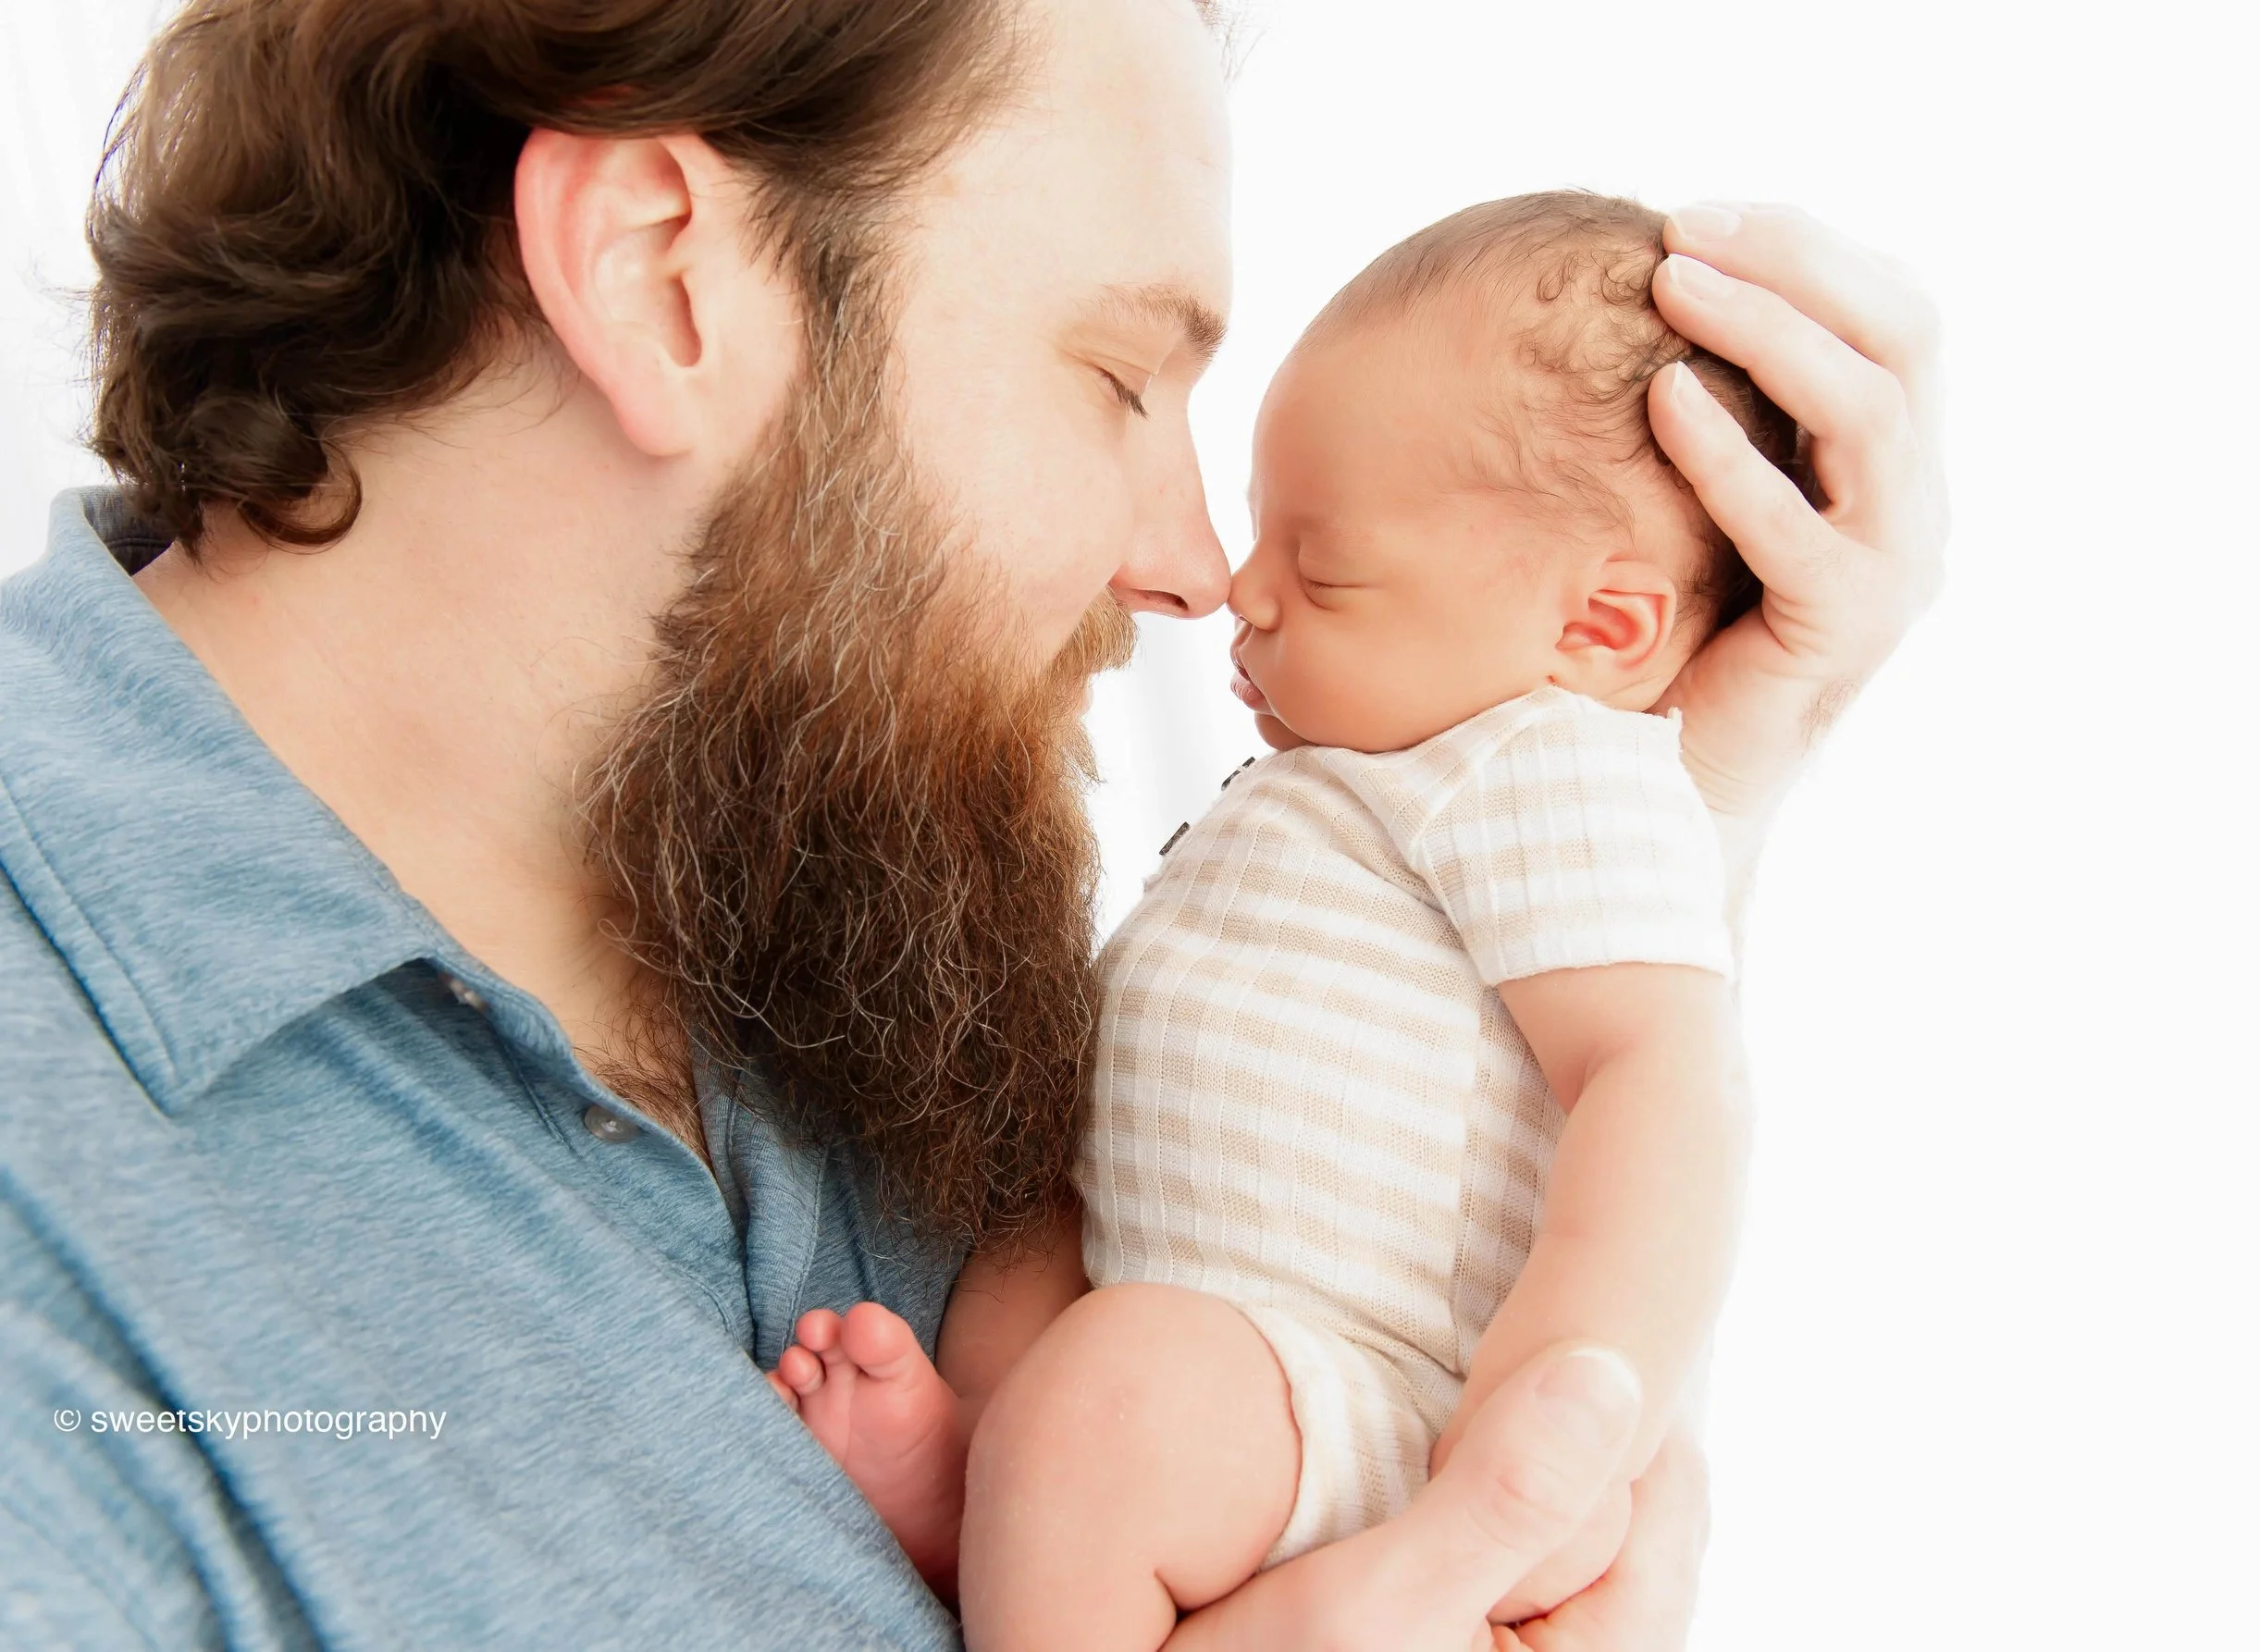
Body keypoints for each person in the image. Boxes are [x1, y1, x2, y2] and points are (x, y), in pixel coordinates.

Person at [0, 0, 1945, 1645]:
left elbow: (1532, 1162)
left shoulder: (860, 889)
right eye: (1115, 375)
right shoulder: (59, 1267)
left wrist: (1708, 747)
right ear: (657, 274)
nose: (1195, 567)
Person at [776, 191, 1783, 1646]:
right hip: (1203, 1349)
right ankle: (995, 1479)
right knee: (1023, 1236)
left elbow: (1667, 1080)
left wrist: (1562, 1390)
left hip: (1370, 1399)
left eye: (1323, 571)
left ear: (1598, 632)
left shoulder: (1545, 760)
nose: (1239, 593)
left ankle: (1036, 1508)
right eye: (1265, 537)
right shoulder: (1351, 772)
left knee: (1107, 1392)